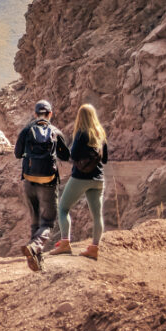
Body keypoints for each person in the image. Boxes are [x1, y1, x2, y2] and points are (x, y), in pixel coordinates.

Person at [13, 100, 69, 271]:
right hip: (48, 182)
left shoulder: (26, 130)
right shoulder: (55, 132)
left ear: (35, 114)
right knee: (48, 222)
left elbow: (17, 154)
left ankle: (36, 260)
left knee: (35, 220)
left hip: (29, 180)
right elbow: (65, 156)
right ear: (50, 114)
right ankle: (36, 247)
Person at [51, 103, 109, 260]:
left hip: (80, 178)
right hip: (98, 179)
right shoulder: (100, 134)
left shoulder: (81, 133)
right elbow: (105, 159)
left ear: (80, 117)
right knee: (97, 215)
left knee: (63, 208)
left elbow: (73, 155)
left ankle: (65, 243)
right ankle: (94, 248)